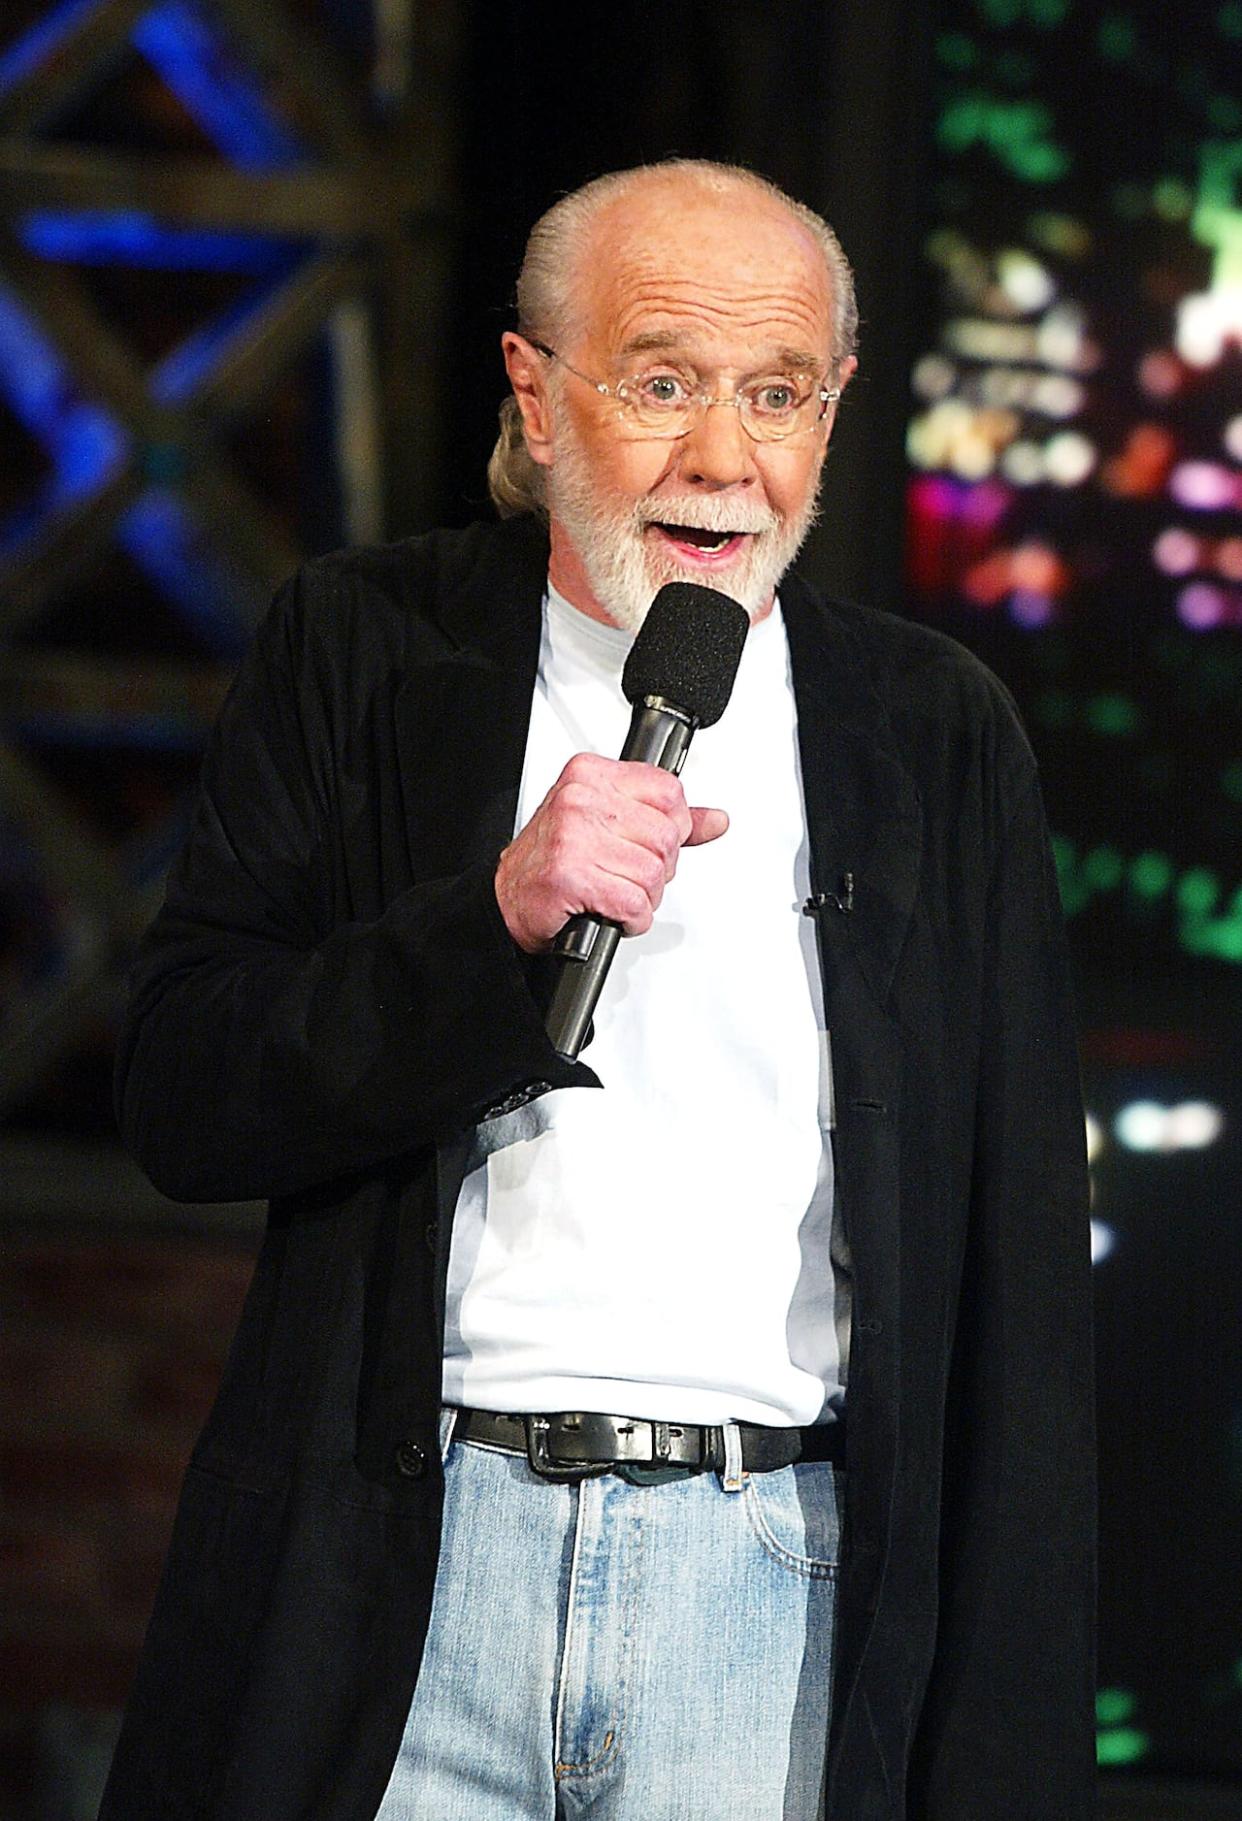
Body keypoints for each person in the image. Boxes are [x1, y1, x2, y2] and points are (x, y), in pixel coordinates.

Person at [100, 160, 1095, 1820]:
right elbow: (186, 1093)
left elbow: (1015, 1285)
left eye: (774, 394)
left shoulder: (928, 732)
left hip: (772, 1584)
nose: (723, 458)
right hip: (412, 1578)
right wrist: (489, 920)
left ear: (834, 412)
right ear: (535, 396)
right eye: (661, 382)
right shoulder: (363, 650)